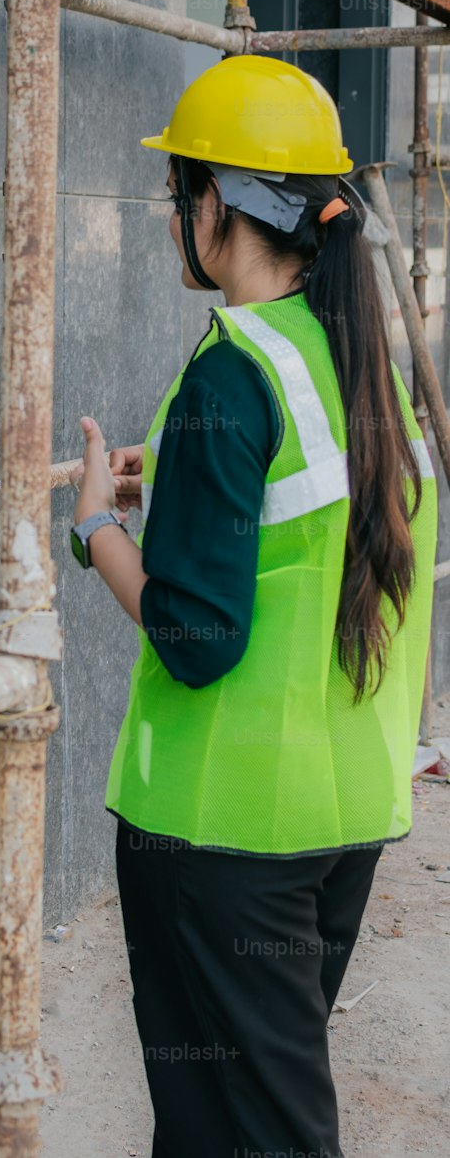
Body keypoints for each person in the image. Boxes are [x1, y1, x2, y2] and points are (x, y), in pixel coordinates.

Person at [68, 57, 437, 1158]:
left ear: (213, 206)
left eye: (178, 196)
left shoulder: (232, 369)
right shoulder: (356, 361)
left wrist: (99, 533)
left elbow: (193, 634)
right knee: (233, 1120)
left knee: (248, 1126)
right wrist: (182, 486)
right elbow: (300, 540)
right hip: (342, 813)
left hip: (221, 828)